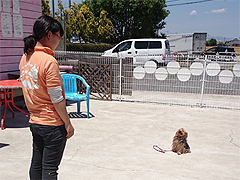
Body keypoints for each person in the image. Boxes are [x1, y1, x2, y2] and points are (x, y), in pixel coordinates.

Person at [19, 15, 74, 180]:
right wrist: (68, 123)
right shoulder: (49, 61)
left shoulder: (25, 58)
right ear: (49, 35)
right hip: (52, 124)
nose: (59, 41)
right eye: (59, 37)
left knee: (37, 164)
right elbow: (56, 98)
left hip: (35, 122)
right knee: (50, 168)